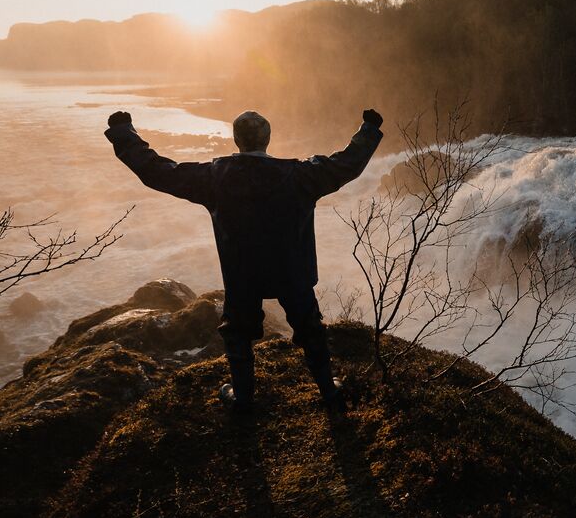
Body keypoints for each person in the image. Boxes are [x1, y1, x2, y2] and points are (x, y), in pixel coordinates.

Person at [104, 107, 385, 415]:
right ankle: (329, 392)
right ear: (268, 139)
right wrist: (368, 130)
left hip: (242, 275)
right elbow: (346, 164)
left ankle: (243, 397)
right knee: (310, 328)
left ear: (236, 139)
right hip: (293, 273)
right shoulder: (300, 175)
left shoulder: (215, 177)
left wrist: (124, 134)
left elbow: (157, 170)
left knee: (238, 333)